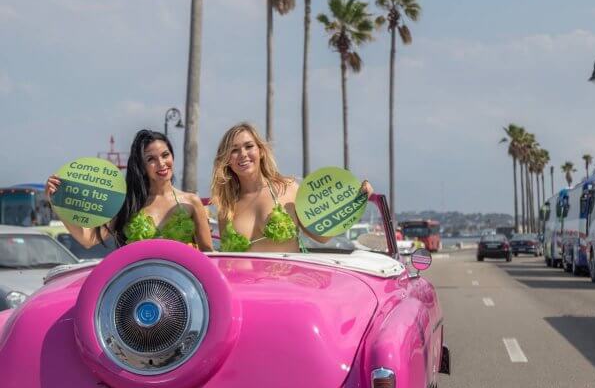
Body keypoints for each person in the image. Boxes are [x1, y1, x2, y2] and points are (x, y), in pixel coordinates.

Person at [210, 122, 372, 253]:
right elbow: (227, 258)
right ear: (227, 160)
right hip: (245, 289)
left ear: (261, 151)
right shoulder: (227, 207)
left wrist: (356, 202)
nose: (243, 154)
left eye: (249, 146)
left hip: (287, 287)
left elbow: (322, 237)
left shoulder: (287, 189)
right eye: (234, 150)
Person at [45, 130, 213, 251]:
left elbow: (208, 253)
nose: (161, 163)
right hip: (137, 289)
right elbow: (88, 239)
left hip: (184, 290)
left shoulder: (191, 202)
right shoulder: (128, 203)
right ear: (141, 165)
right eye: (151, 159)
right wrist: (56, 203)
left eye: (165, 155)